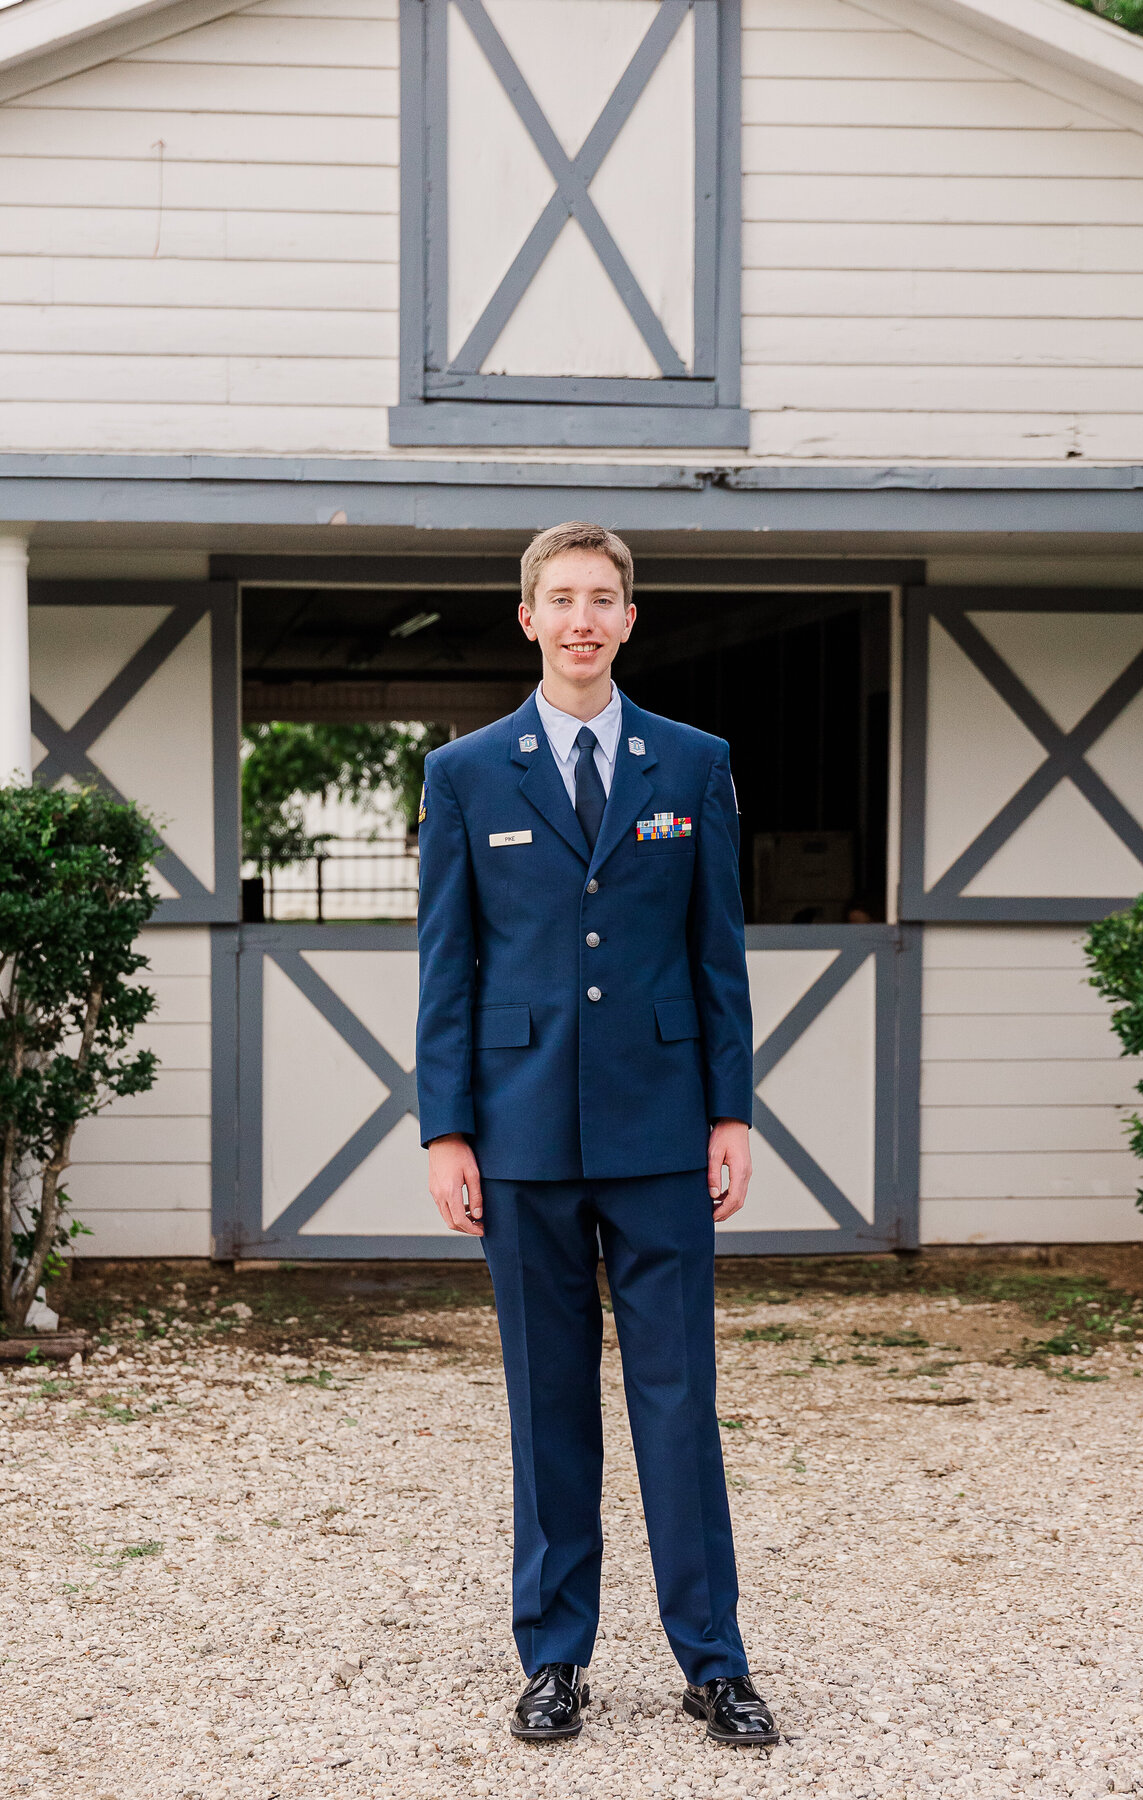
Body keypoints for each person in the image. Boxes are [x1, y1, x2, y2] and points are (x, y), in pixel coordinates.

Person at [415, 521, 777, 1748]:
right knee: (548, 1405)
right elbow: (448, 970)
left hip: (665, 1130)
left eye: (603, 598)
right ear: (528, 617)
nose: (582, 618)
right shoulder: (465, 774)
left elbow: (716, 952)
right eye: (560, 598)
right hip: (516, 1137)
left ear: (631, 619)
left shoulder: (693, 765)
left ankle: (713, 1661)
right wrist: (445, 1131)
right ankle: (555, 1657)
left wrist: (732, 1109)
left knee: (679, 1401)